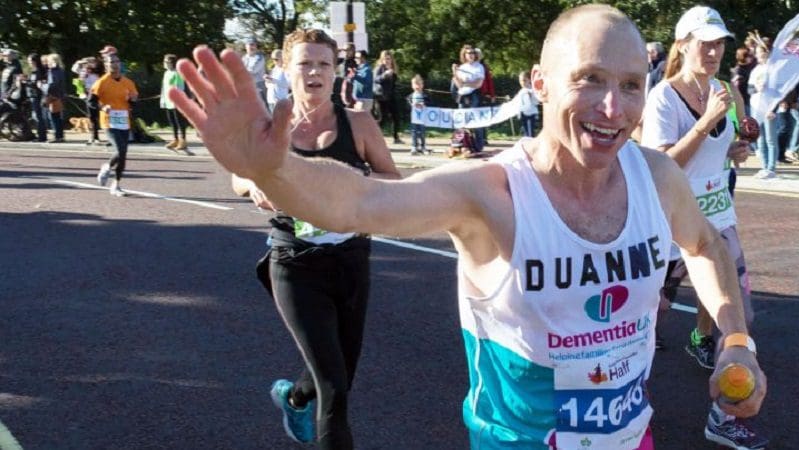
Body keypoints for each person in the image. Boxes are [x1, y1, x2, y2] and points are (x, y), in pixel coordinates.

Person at [170, 4, 765, 449]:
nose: (614, 109)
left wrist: (737, 341)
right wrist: (273, 168)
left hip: (633, 438)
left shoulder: (656, 177)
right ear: (540, 84)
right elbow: (361, 201)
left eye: (632, 85)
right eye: (589, 79)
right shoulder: (491, 192)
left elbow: (706, 245)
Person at [226, 29, 402, 448]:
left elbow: (394, 182)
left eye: (324, 63)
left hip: (351, 259)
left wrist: (344, 182)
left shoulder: (358, 123)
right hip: (294, 262)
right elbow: (237, 175)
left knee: (339, 374)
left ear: (336, 71)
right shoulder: (269, 126)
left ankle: (292, 396)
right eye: (304, 63)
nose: (314, 72)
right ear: (286, 69)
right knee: (334, 388)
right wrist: (253, 186)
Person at [640, 6, 766, 450]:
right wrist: (707, 121)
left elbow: (724, 145)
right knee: (641, 327)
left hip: (718, 220)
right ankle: (630, 415)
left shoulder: (727, 90)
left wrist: (736, 149)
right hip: (669, 227)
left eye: (720, 43)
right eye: (705, 43)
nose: (714, 51)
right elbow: (661, 165)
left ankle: (725, 417)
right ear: (683, 45)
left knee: (740, 322)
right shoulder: (662, 97)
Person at [92, 52, 138, 197]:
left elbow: (133, 102)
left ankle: (116, 184)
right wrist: (103, 107)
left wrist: (133, 100)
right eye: (111, 62)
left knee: (123, 154)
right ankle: (107, 168)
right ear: (106, 65)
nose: (115, 64)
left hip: (124, 120)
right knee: (120, 150)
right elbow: (91, 101)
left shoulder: (128, 82)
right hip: (109, 121)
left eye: (117, 61)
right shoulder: (101, 82)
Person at [747, 38, 778, 178]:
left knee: (771, 139)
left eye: (760, 52)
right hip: (756, 107)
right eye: (757, 53)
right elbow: (749, 88)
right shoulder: (756, 70)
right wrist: (755, 88)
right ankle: (764, 166)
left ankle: (771, 168)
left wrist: (773, 108)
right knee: (759, 138)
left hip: (769, 107)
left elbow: (778, 91)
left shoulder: (773, 70)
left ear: (767, 52)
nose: (757, 55)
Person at [452, 44, 485, 152]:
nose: (471, 55)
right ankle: (459, 144)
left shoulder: (479, 67)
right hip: (462, 95)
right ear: (464, 55)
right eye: (468, 53)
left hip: (474, 95)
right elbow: (459, 84)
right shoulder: (462, 68)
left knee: (475, 120)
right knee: (461, 120)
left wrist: (467, 83)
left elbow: (478, 83)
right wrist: (455, 73)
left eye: (472, 53)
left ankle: (478, 145)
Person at [160, 54, 190, 153]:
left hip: (176, 102)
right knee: (172, 122)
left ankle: (183, 141)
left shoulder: (177, 73)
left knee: (179, 121)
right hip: (168, 101)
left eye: (167, 62)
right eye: (165, 61)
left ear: (172, 63)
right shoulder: (166, 73)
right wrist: (163, 100)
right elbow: (164, 88)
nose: (165, 63)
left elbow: (179, 87)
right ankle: (175, 139)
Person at [373, 50, 402, 145]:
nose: (387, 60)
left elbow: (394, 82)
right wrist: (384, 75)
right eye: (385, 59)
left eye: (389, 58)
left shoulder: (393, 68)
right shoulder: (379, 68)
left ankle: (396, 137)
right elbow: (375, 80)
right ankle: (375, 136)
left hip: (391, 96)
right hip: (381, 96)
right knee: (382, 118)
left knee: (396, 116)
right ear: (382, 59)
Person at [42, 54, 66, 143]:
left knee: (53, 117)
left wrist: (42, 86)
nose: (47, 63)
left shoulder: (52, 72)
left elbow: (52, 85)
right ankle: (60, 136)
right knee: (58, 117)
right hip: (59, 95)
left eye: (48, 61)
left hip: (53, 96)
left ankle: (57, 136)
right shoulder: (60, 70)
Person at [407, 74, 430, 154]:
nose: (417, 86)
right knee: (414, 132)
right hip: (414, 118)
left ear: (422, 85)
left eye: (419, 84)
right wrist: (411, 104)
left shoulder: (425, 96)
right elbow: (408, 104)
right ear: (412, 85)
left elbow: (429, 103)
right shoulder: (410, 96)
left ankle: (423, 147)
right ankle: (414, 147)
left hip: (423, 118)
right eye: (415, 84)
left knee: (422, 132)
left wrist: (424, 104)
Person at [243, 40, 267, 107]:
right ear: (246, 46)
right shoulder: (244, 58)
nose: (252, 47)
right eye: (250, 44)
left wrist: (241, 72)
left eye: (254, 45)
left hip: (259, 85)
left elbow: (253, 70)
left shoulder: (259, 58)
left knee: (263, 107)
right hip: (247, 86)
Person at [516, 70, 539, 138]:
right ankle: (527, 145)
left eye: (524, 80)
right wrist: (518, 113)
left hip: (531, 113)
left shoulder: (533, 90)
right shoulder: (521, 91)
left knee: (530, 132)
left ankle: (532, 145)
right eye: (520, 81)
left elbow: (537, 102)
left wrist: (531, 96)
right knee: (525, 132)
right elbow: (519, 103)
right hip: (523, 114)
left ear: (529, 80)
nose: (522, 83)